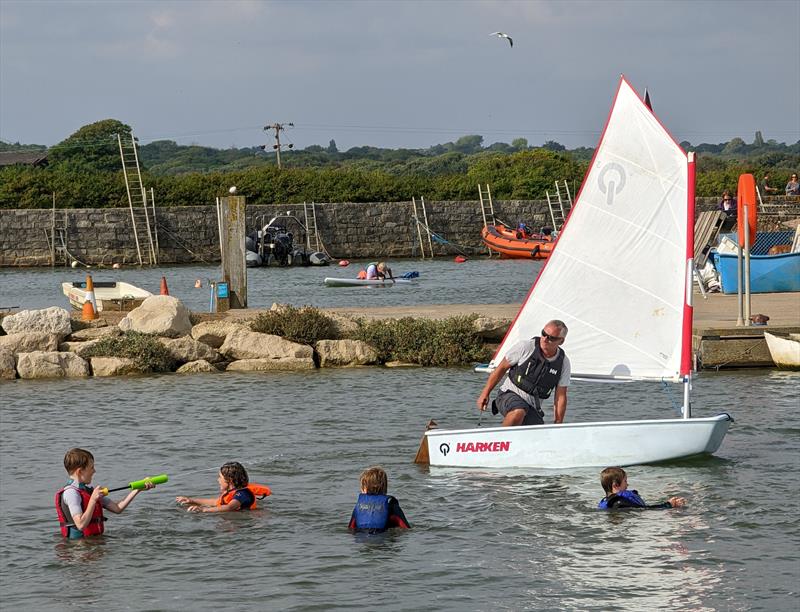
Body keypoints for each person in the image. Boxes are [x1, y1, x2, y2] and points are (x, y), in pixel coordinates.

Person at [476, 319, 570, 426]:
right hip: (508, 395)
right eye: (543, 334)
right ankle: (503, 440)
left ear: (561, 341)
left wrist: (558, 423)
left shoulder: (563, 363)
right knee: (518, 411)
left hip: (532, 406)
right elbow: (501, 369)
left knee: (538, 435)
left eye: (551, 338)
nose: (544, 339)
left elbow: (560, 396)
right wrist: (485, 393)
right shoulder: (525, 347)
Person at [55, 447, 156, 539]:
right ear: (80, 471)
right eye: (91, 468)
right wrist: (93, 499)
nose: (94, 471)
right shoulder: (71, 493)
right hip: (78, 549)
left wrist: (138, 489)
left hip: (93, 545)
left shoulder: (88, 491)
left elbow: (117, 508)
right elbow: (80, 525)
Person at [175, 461, 271, 513]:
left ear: (229, 480)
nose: (218, 480)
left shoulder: (242, 494)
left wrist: (204, 510)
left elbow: (230, 507)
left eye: (220, 477)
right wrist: (191, 500)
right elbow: (215, 502)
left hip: (241, 524)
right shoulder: (232, 492)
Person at [348, 466, 410, 533]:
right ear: (384, 487)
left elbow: (351, 529)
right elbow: (406, 529)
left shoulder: (359, 506)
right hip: (383, 538)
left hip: (362, 539)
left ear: (365, 488)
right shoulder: (391, 506)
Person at [598, 467, 686, 510]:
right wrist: (668, 505)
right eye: (625, 481)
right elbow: (644, 510)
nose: (627, 484)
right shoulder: (619, 502)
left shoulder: (606, 502)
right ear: (615, 485)